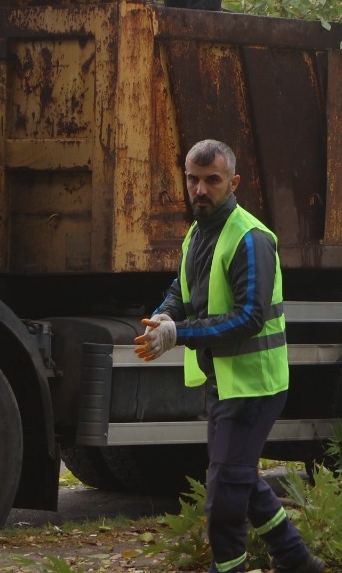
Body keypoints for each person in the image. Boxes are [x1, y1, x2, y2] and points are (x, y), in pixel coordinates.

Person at [134, 140, 324, 573]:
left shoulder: (250, 237)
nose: (200, 189)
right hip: (227, 381)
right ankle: (297, 560)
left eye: (211, 180)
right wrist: (165, 315)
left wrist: (179, 333)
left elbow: (249, 317)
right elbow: (181, 291)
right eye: (193, 179)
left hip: (255, 385)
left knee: (223, 495)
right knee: (239, 478)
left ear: (233, 182)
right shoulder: (199, 232)